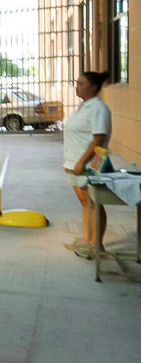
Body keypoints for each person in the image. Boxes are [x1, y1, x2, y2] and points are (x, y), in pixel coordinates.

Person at [62, 71, 112, 259]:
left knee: (93, 203)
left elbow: (99, 138)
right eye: (77, 83)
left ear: (94, 87)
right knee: (85, 203)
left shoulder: (98, 108)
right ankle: (86, 240)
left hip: (88, 165)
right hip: (75, 163)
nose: (77, 87)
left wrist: (81, 161)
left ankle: (97, 245)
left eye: (81, 84)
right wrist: (70, 162)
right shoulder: (84, 106)